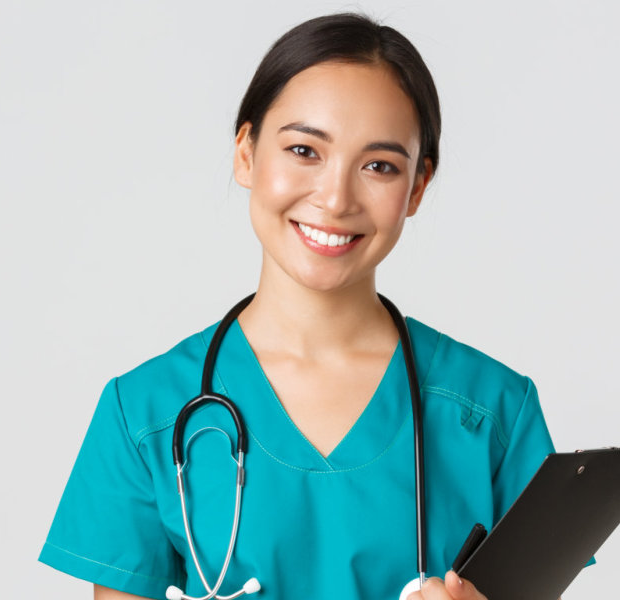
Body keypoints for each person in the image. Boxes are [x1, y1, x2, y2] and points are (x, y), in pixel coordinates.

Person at [38, 13, 577, 600]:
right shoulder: (144, 413)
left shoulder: (492, 412)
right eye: (303, 150)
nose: (335, 197)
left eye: (379, 166)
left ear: (418, 187)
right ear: (245, 153)